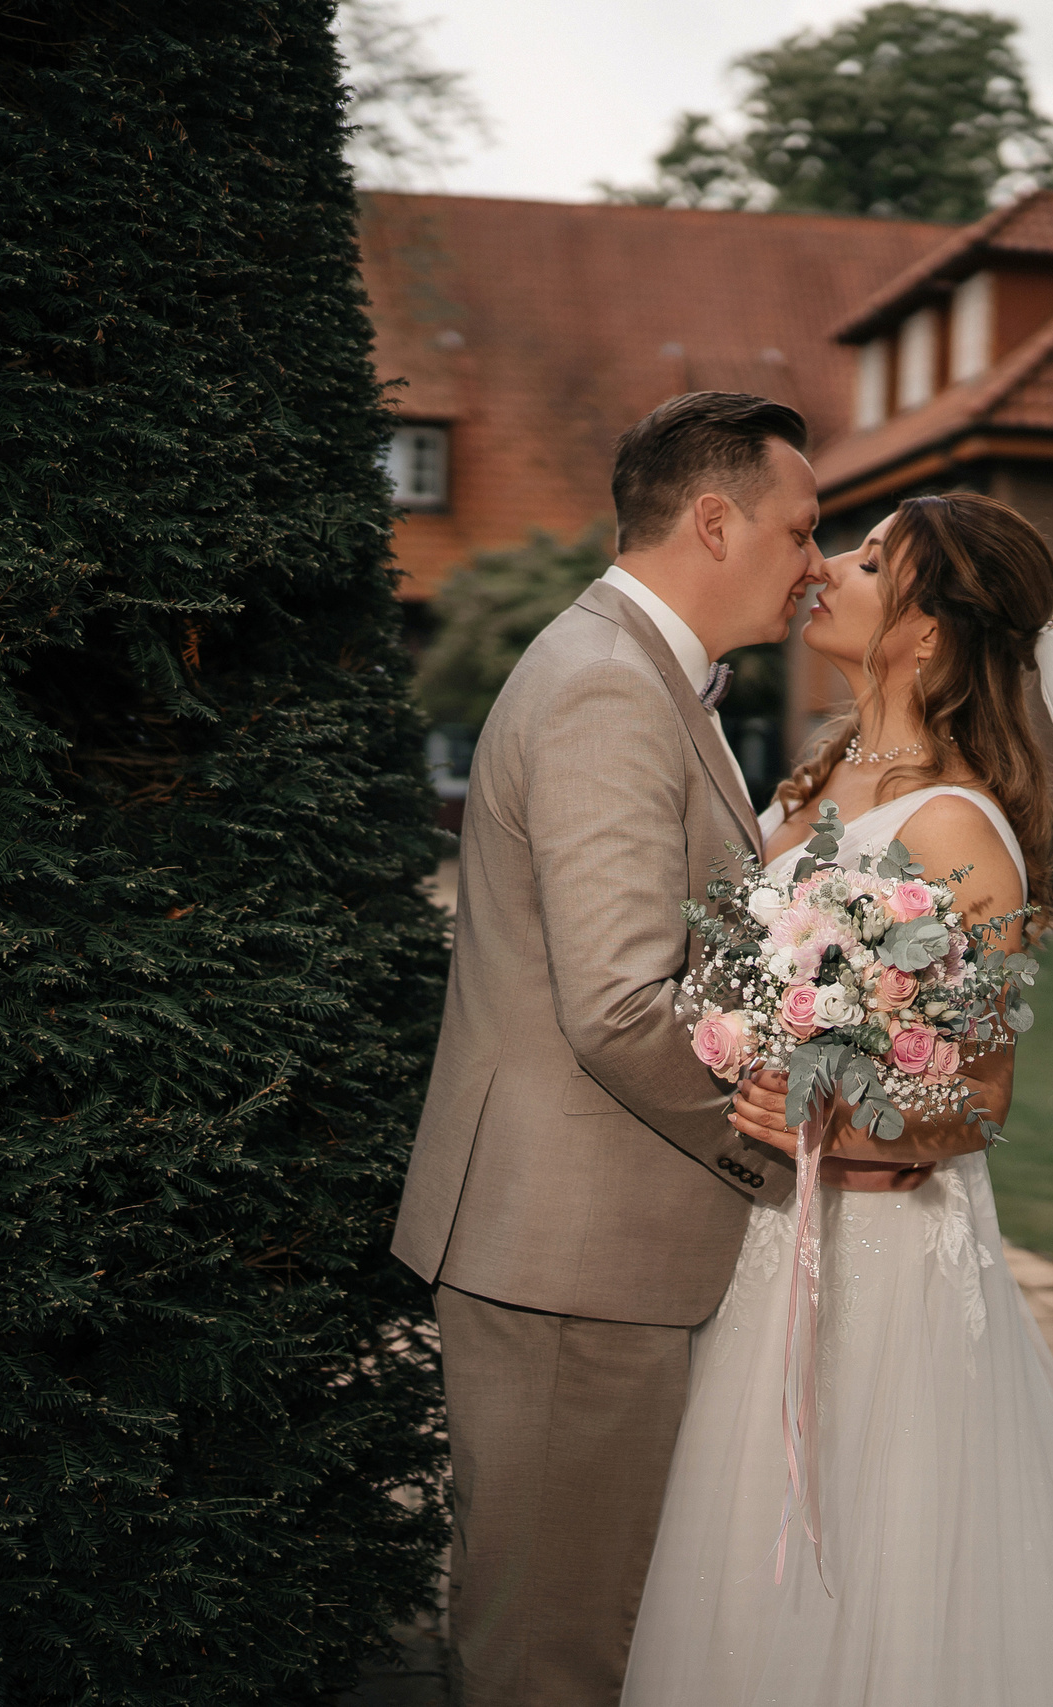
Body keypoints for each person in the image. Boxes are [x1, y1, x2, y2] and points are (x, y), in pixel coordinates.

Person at [620, 493, 1053, 1706]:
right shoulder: (819, 775)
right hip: (768, 1238)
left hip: (878, 1259)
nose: (825, 568)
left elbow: (981, 1094)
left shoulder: (957, 826)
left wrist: (828, 1115)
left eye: (867, 561)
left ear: (928, 631)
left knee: (872, 1552)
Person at [392, 391, 825, 1707]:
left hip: (591, 1247)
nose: (815, 560)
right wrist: (778, 1144)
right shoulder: (606, 687)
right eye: (803, 528)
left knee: (587, 1631)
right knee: (554, 1653)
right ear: (716, 521)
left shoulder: (640, 676)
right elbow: (622, 1007)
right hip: (572, 1254)